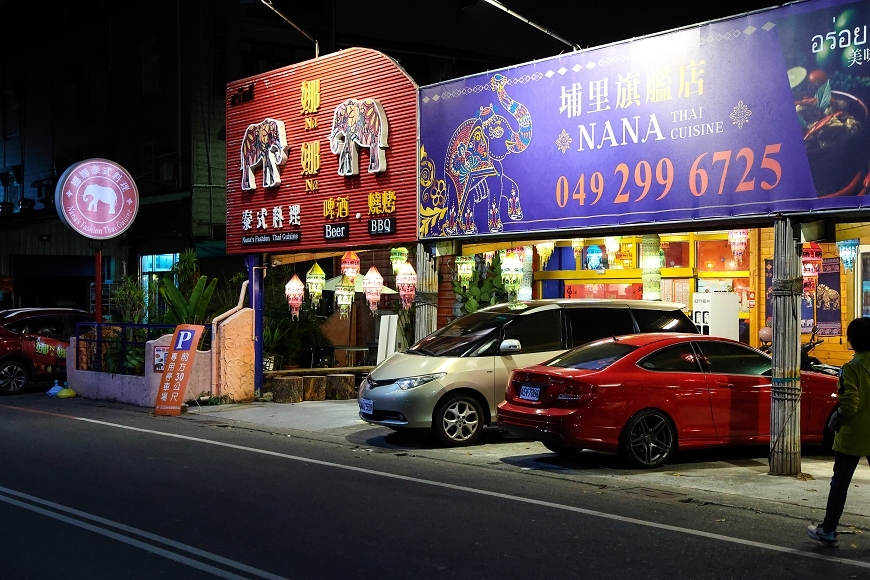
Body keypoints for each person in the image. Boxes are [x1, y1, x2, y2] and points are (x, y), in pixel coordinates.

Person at [807, 316, 870, 548]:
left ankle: (828, 530)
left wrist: (835, 418)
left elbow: (850, 404)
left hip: (852, 435)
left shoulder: (852, 368)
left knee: (840, 483)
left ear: (852, 341)